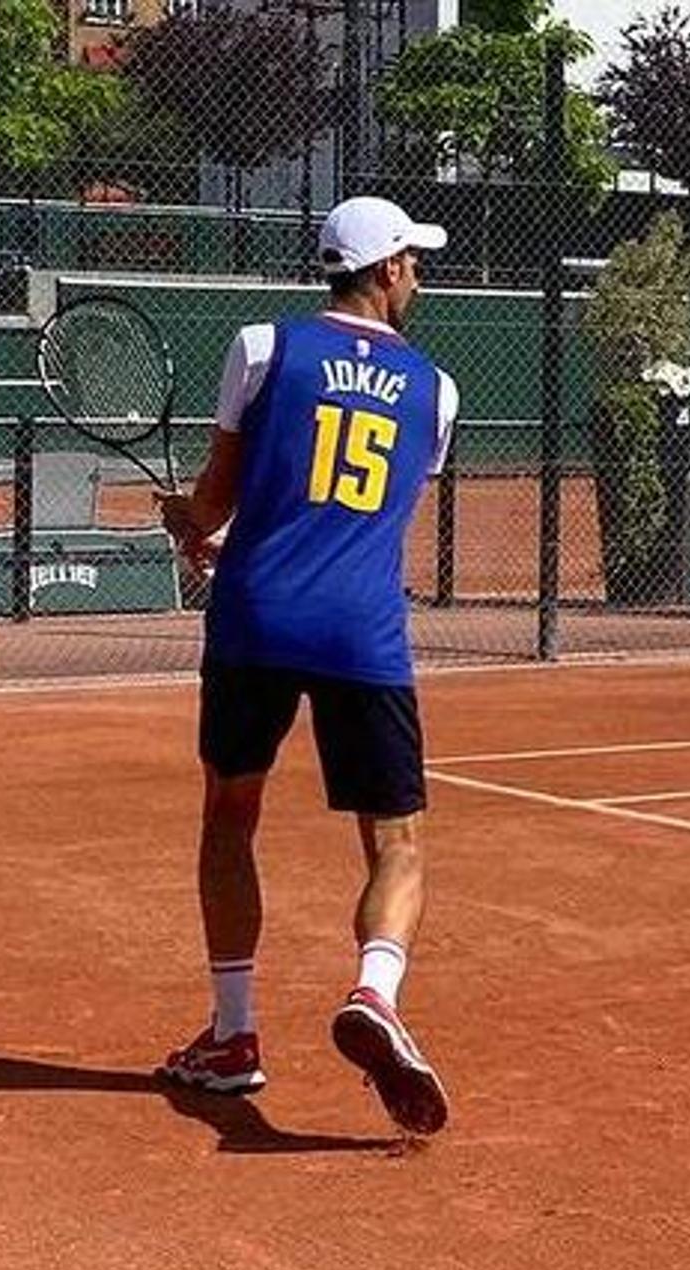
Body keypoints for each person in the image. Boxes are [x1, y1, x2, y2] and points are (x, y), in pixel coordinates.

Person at [153, 195, 459, 1136]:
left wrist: (194, 527)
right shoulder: (435, 389)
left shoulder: (261, 348)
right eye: (414, 261)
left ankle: (235, 1036)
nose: (419, 276)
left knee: (229, 817)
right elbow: (359, 514)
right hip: (361, 634)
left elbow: (216, 506)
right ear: (389, 270)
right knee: (397, 841)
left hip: (254, 620)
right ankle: (375, 991)